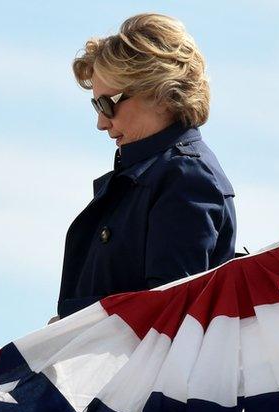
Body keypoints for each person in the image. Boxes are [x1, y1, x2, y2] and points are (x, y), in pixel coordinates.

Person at [56, 13, 236, 320]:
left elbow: (166, 318)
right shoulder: (151, 177)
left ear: (159, 92)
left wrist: (72, 327)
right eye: (95, 105)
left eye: (106, 104)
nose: (101, 122)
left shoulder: (186, 178)